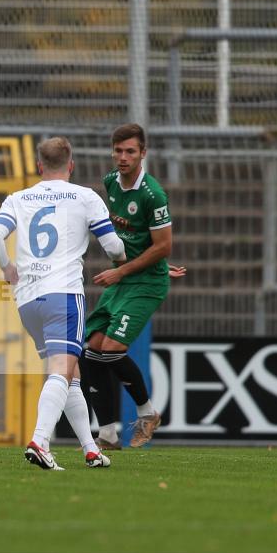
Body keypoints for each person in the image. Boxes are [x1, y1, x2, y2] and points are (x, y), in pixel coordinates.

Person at [0, 137, 126, 470]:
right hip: (63, 295)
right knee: (62, 371)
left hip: (28, 299)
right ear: (71, 165)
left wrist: (7, 267)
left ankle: (90, 449)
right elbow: (114, 248)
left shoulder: (18, 198)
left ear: (39, 166)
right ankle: (40, 441)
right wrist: (124, 260)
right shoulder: (85, 197)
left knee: (70, 373)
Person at [79, 123, 174, 450]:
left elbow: (164, 245)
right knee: (92, 351)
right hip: (125, 276)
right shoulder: (110, 182)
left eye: (130, 151)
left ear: (142, 153)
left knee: (111, 350)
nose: (123, 157)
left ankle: (147, 413)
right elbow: (139, 238)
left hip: (145, 282)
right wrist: (129, 267)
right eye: (118, 151)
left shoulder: (152, 194)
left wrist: (129, 270)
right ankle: (107, 434)